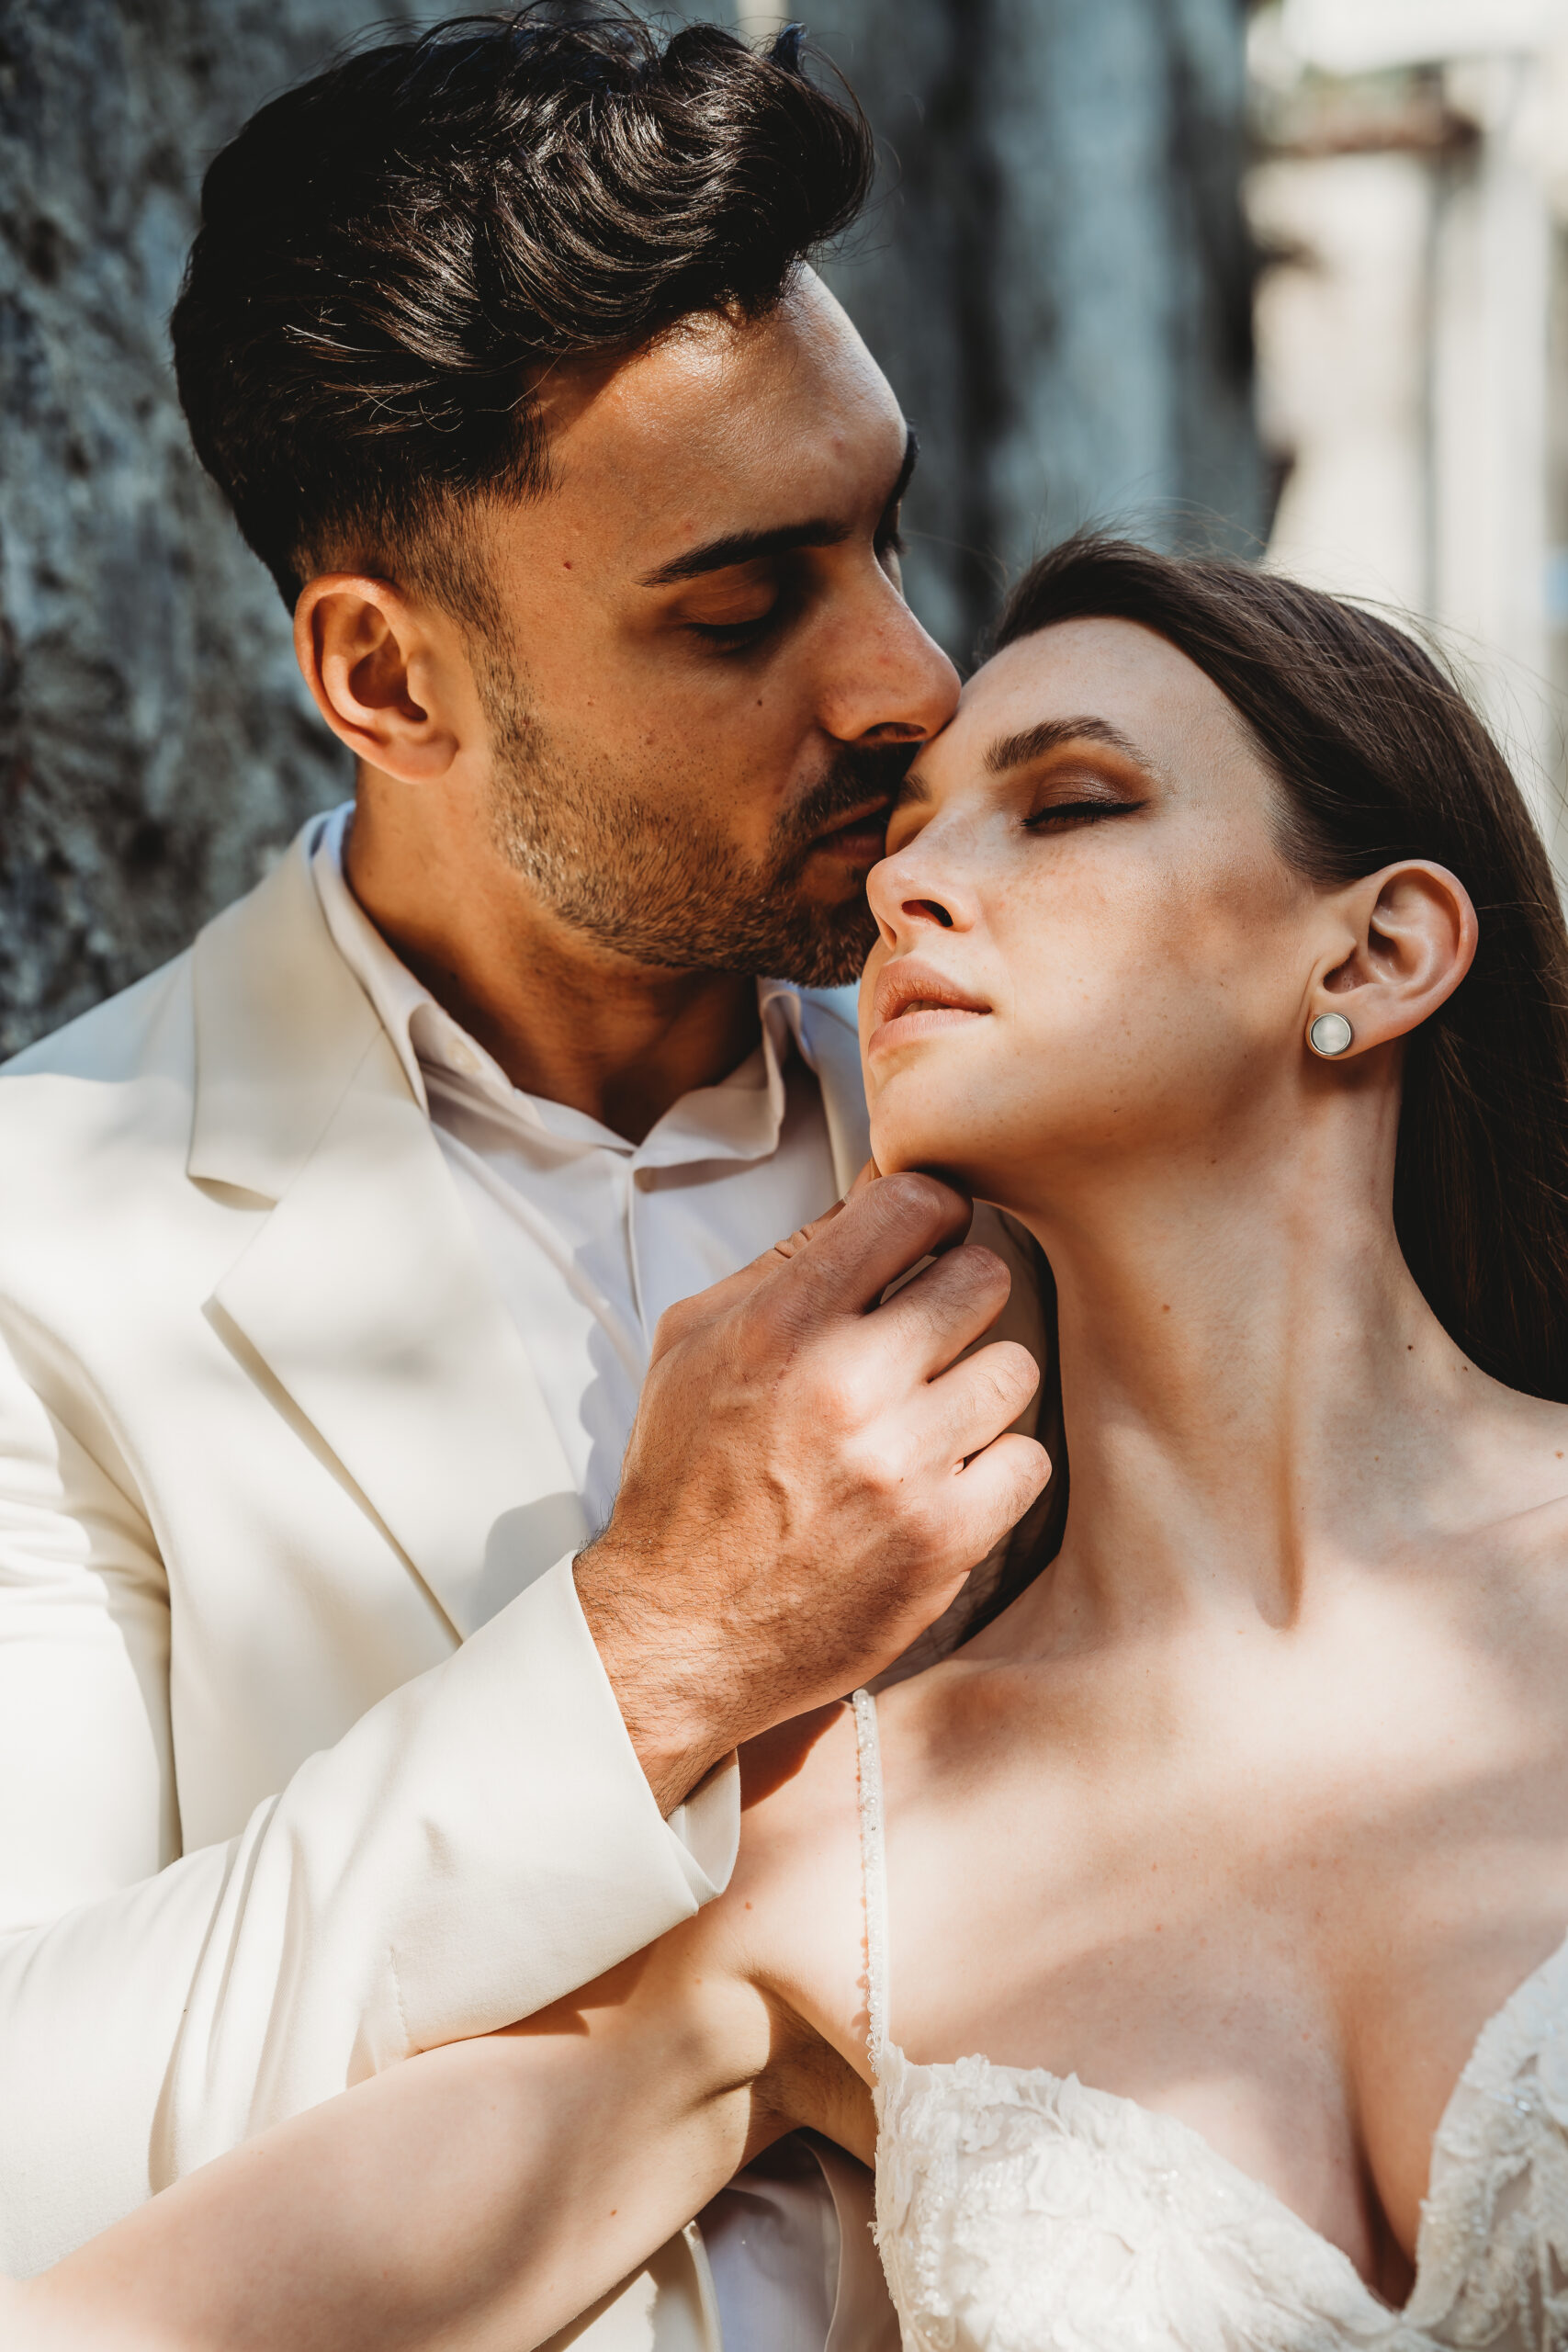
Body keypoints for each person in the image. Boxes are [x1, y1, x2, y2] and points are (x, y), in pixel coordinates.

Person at [16, 533, 1568, 2352]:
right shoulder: (832, 1844)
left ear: (1378, 948)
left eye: (1066, 804)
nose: (907, 876)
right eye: (910, 822)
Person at [0, 12, 1050, 2342]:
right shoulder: (40, 1249)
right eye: (740, 604)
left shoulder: (1086, 1104)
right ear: (386, 681)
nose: (909, 678)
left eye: (882, 532)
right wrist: (651, 1645)